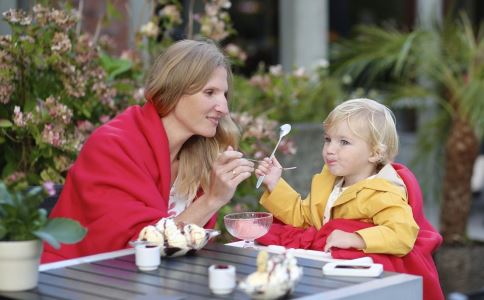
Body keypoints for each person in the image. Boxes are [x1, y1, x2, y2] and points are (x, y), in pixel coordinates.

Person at [41, 40, 254, 263]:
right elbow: (140, 248)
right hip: (74, 282)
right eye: (209, 92)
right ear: (174, 90)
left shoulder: (200, 154)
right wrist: (212, 199)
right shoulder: (112, 147)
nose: (224, 108)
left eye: (224, 95)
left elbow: (187, 250)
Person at [255, 98, 419, 256]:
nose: (330, 149)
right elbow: (303, 218)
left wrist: (357, 239)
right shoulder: (329, 182)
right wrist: (274, 184)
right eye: (328, 139)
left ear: (375, 153)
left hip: (357, 275)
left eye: (344, 142)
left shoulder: (383, 192)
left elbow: (402, 234)